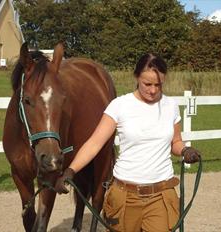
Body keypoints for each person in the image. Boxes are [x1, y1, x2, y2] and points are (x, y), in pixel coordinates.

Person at [55, 53, 201, 232]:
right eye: (147, 84)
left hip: (161, 196)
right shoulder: (120, 106)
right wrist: (71, 170)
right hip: (125, 196)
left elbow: (175, 142)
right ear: (137, 77)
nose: (153, 90)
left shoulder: (170, 106)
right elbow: (94, 143)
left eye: (158, 84)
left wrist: (185, 150)